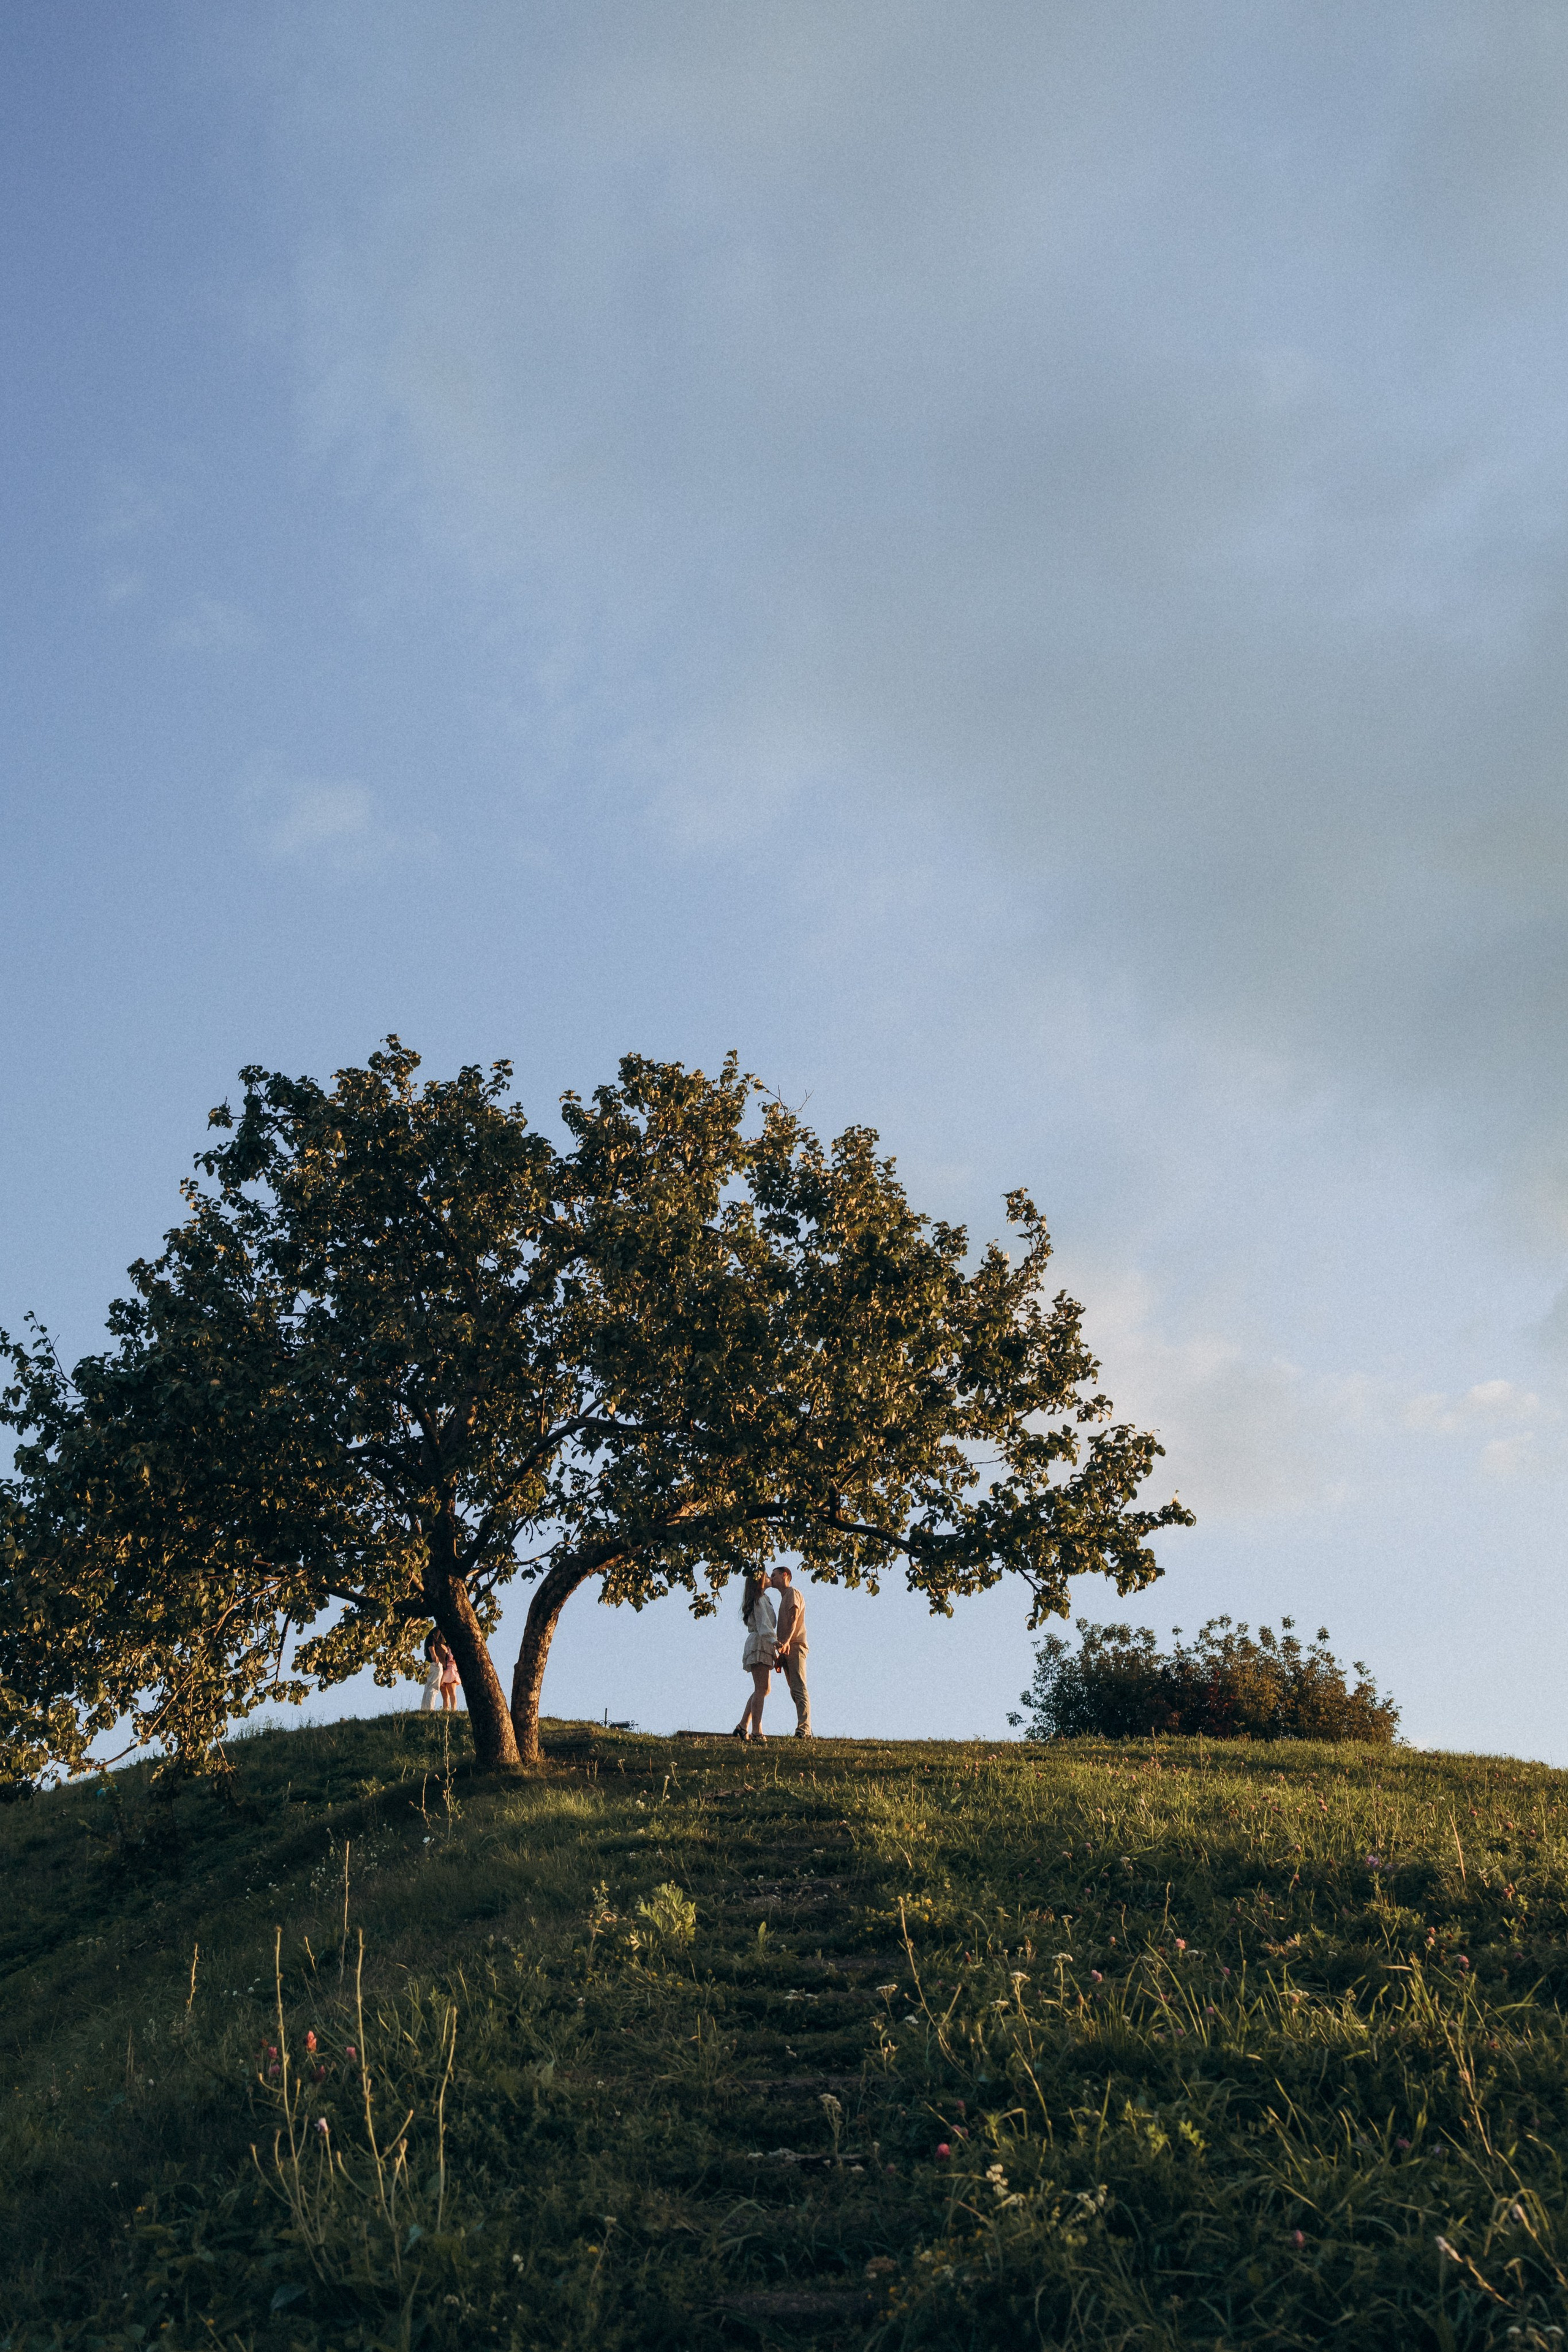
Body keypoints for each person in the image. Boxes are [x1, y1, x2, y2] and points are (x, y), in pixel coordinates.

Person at [733, 1570, 777, 1740]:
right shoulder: (758, 1600)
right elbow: (764, 1625)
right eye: (766, 1576)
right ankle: (757, 1730)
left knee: (764, 1688)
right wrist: (775, 1642)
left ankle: (743, 1725)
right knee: (762, 1688)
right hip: (760, 1642)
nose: (770, 1579)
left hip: (764, 1642)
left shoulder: (764, 1599)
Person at [769, 1564, 811, 1736]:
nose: (771, 1579)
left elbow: (794, 1619)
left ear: (785, 1575)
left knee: (799, 1688)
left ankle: (804, 1729)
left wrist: (786, 1642)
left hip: (795, 1646)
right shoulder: (783, 1597)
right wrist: (781, 1653)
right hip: (787, 1649)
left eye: (774, 1575)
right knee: (794, 1690)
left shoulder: (792, 1593)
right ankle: (804, 1728)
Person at [420, 1632, 446, 1713]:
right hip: (435, 1664)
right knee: (433, 1687)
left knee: (428, 1687)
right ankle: (430, 1709)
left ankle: (424, 1709)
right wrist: (433, 1654)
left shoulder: (437, 1632)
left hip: (430, 1663)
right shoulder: (438, 1630)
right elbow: (431, 1641)